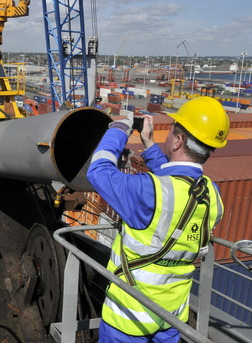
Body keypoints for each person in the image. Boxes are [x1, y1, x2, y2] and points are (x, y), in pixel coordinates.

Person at [87, 96, 230, 343]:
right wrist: (150, 144)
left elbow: (98, 170)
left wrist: (120, 128)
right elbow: (177, 181)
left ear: (177, 140)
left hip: (129, 315)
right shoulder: (211, 194)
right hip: (172, 315)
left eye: (173, 130)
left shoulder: (147, 192)